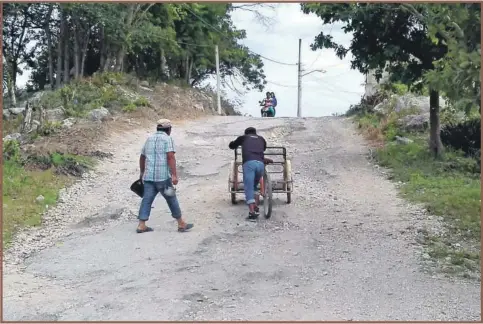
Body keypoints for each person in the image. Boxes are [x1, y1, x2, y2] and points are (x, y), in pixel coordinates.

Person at [136, 118, 193, 233]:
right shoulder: (168, 139)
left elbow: (142, 157)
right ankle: (181, 223)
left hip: (149, 178)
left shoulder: (149, 139)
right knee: (171, 199)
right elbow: (170, 157)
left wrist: (142, 173)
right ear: (168, 129)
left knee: (146, 200)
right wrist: (174, 175)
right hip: (163, 179)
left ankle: (141, 225)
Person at [229, 127, 267, 221]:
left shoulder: (244, 137)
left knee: (248, 187)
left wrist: (231, 143)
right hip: (261, 164)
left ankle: (252, 213)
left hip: (249, 164)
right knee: (254, 185)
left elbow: (232, 146)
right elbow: (264, 148)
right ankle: (255, 206)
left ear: (246, 133)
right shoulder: (261, 138)